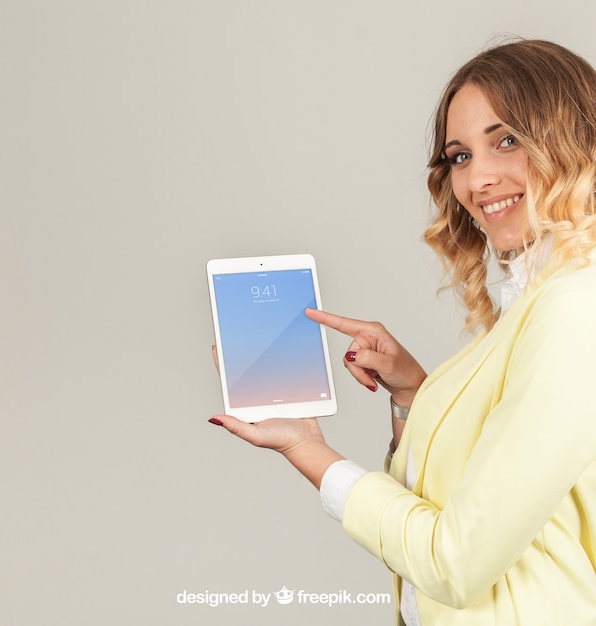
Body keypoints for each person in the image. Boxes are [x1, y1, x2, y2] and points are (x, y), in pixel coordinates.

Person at [208, 38, 596, 625]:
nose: (479, 179)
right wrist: (414, 393)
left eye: (507, 141)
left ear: (575, 141)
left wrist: (311, 452)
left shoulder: (572, 307)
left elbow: (456, 562)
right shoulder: (532, 309)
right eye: (460, 156)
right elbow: (479, 504)